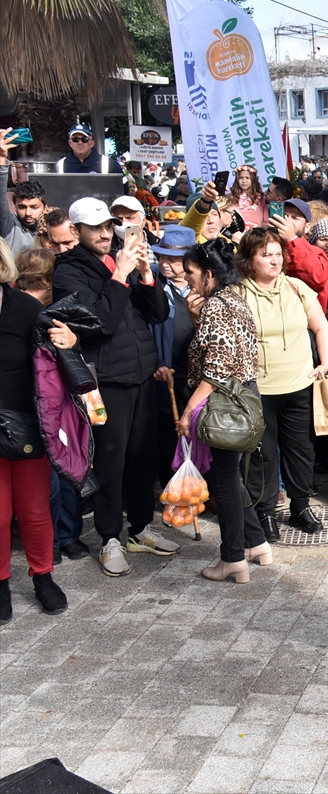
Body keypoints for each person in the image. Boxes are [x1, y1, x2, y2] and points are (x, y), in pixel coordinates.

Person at [54, 199, 177, 577]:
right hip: (105, 382)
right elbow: (102, 322)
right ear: (76, 231)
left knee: (143, 456)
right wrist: (121, 274)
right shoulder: (68, 271)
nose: (106, 234)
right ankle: (110, 537)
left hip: (140, 374)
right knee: (111, 461)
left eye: (109, 226)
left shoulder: (116, 262)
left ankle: (139, 528)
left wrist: (146, 273)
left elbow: (156, 313)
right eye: (96, 228)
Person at [176, 241, 271, 583]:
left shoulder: (218, 305)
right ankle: (257, 542)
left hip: (224, 403)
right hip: (243, 397)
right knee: (230, 477)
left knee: (225, 482)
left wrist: (188, 410)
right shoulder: (235, 299)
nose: (187, 279)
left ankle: (233, 558)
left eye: (191, 272)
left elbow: (216, 368)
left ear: (209, 274)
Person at [236, 227, 328, 539]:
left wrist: (325, 362)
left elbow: (320, 327)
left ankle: (301, 506)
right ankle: (264, 513)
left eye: (278, 254)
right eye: (266, 255)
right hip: (259, 389)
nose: (275, 260)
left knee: (301, 450)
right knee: (262, 454)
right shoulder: (238, 292)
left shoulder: (296, 287)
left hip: (299, 384)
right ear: (251, 259)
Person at [0, 256, 78, 618]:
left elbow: (62, 349)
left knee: (33, 510)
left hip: (28, 426)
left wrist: (70, 338)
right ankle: (1, 583)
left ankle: (43, 576)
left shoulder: (24, 307)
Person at [149, 225, 198, 486]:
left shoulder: (202, 286)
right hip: (166, 372)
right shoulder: (152, 284)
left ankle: (202, 487)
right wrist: (158, 364)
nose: (165, 264)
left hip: (195, 376)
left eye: (173, 259)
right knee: (168, 432)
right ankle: (173, 488)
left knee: (197, 430)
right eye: (162, 257)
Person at [0, 129, 44, 252]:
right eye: (22, 207)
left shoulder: (51, 229)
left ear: (45, 207)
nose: (28, 213)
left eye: (34, 207)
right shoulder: (10, 227)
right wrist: (1, 158)